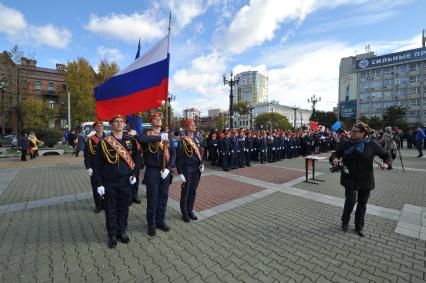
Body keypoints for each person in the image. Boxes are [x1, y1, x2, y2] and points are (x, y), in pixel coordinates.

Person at [330, 122, 392, 237]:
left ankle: (359, 226)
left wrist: (386, 164)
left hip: (365, 179)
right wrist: (334, 159)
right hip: (349, 178)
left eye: (354, 131)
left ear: (363, 133)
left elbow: (386, 155)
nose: (351, 133)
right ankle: (345, 221)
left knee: (362, 204)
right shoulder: (346, 143)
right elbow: (335, 154)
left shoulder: (371, 144)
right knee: (350, 201)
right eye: (351, 130)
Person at [94, 115, 142, 248]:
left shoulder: (130, 141)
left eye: (122, 121)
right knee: (110, 210)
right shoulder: (104, 143)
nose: (120, 123)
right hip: (109, 182)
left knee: (124, 208)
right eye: (116, 121)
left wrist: (134, 174)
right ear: (111, 124)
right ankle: (112, 234)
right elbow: (97, 165)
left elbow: (138, 159)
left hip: (126, 182)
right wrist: (99, 184)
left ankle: (122, 231)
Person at [139, 112, 175, 236]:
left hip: (165, 171)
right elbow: (141, 139)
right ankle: (151, 224)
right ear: (151, 122)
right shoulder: (147, 134)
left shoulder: (167, 136)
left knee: (163, 198)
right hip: (152, 171)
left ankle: (160, 221)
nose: (159, 120)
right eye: (156, 118)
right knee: (152, 199)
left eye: (160, 118)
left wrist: (169, 168)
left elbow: (173, 153)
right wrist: (159, 138)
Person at [176, 119, 204, 222]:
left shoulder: (198, 139)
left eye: (194, 124)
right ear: (186, 128)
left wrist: (201, 163)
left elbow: (201, 153)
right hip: (187, 168)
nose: (193, 126)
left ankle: (190, 210)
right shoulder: (182, 141)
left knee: (193, 190)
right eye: (191, 125)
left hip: (196, 168)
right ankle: (184, 212)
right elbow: (179, 158)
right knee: (186, 191)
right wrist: (180, 172)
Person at [84, 120, 106, 213]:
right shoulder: (90, 140)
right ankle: (98, 205)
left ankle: (105, 204)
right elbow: (87, 154)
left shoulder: (109, 138)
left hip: (106, 167)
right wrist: (88, 166)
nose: (100, 127)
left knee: (107, 186)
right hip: (95, 167)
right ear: (95, 128)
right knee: (96, 186)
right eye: (97, 126)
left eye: (101, 126)